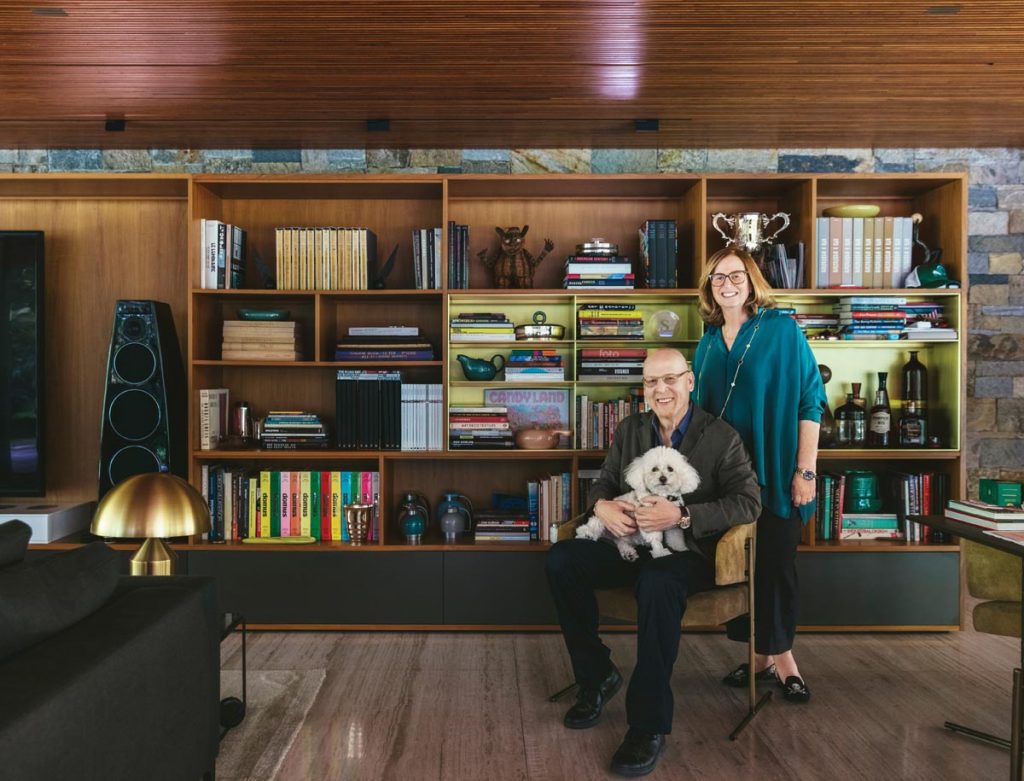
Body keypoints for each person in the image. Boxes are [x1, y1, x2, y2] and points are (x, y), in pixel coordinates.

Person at [546, 347, 761, 777]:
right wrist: (602, 508)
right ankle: (596, 676)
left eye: (669, 379)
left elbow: (749, 501)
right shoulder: (630, 429)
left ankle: (647, 725)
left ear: (689, 381)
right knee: (562, 558)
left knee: (658, 581)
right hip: (628, 545)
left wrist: (682, 515)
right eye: (651, 382)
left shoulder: (721, 437)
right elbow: (603, 483)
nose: (660, 389)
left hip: (686, 553)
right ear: (643, 388)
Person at [691, 247, 825, 704]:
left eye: (735, 276)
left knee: (776, 563)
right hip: (726, 478)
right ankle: (758, 658)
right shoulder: (707, 340)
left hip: (776, 464)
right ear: (709, 287)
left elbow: (811, 401)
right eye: (717, 278)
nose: (726, 285)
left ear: (751, 281)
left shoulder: (782, 330)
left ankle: (784, 660)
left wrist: (804, 470)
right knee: (739, 568)